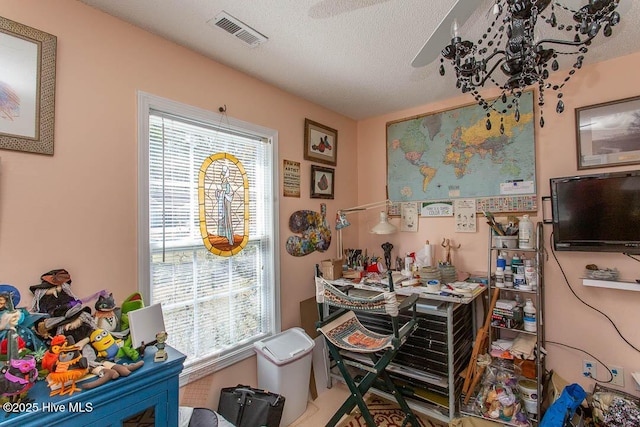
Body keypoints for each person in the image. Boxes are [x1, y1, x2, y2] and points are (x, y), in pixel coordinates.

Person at [216, 164, 234, 245]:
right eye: (221, 175)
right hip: (222, 202)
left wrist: (222, 193)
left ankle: (230, 237)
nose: (221, 177)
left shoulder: (227, 184)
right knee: (222, 219)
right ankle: (223, 235)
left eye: (222, 176)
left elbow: (229, 193)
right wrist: (218, 193)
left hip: (226, 203)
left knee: (227, 219)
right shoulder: (222, 184)